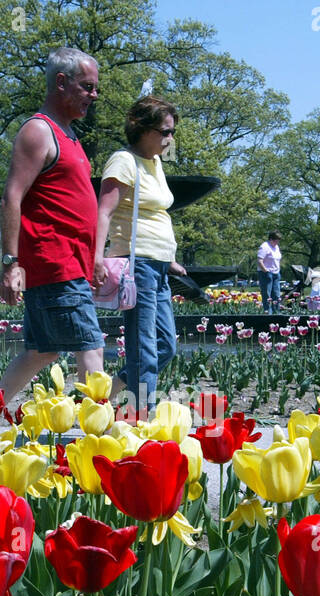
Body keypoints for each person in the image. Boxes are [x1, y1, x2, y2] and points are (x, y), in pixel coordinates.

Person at [0, 47, 105, 423]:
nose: (94, 95)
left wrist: (96, 257)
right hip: (55, 264)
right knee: (91, 347)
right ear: (61, 83)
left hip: (72, 265)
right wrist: (9, 263)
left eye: (96, 88)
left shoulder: (69, 135)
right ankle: (98, 441)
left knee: (42, 352)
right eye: (87, 87)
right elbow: (12, 197)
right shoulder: (39, 131)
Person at [94, 96, 187, 413]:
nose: (170, 139)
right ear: (141, 128)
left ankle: (115, 389)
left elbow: (155, 212)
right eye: (165, 132)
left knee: (165, 347)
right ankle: (140, 419)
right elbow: (103, 212)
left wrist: (169, 258)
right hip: (137, 266)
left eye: (172, 132)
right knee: (144, 349)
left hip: (158, 267)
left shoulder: (155, 162)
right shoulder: (124, 161)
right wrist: (96, 258)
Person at [258, 232, 283, 314]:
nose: (277, 243)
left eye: (278, 241)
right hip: (266, 274)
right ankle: (268, 313)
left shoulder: (276, 247)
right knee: (267, 296)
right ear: (271, 239)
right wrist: (266, 271)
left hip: (276, 273)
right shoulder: (264, 247)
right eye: (276, 240)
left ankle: (276, 313)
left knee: (276, 295)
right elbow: (259, 261)